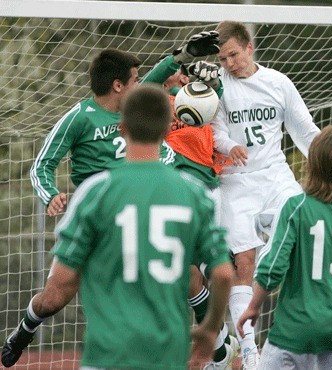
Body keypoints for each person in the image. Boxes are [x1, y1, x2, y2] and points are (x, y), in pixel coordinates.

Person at [2, 84, 235, 369]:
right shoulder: (193, 193)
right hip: (168, 352)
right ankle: (224, 348)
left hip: (108, 351)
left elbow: (65, 274)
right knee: (192, 276)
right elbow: (223, 275)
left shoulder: (94, 193)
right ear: (167, 131)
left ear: (122, 128)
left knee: (59, 290)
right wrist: (210, 331)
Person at [237, 125, 332, 370]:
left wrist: (253, 307)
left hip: (293, 333)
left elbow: (273, 268)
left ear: (314, 165)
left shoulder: (297, 207)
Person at [212, 20, 321, 369]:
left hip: (275, 176)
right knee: (244, 262)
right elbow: (214, 132)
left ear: (249, 48)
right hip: (236, 181)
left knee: (300, 232)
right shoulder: (217, 87)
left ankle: (303, 327)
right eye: (223, 58)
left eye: (233, 55)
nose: (229, 63)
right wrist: (230, 146)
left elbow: (304, 130)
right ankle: (248, 347)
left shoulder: (278, 83)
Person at [30, 31, 220, 217]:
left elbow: (155, 80)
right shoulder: (80, 117)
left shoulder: (133, 111)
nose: (140, 85)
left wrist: (185, 54)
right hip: (99, 208)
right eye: (136, 80)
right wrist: (51, 195)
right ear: (118, 86)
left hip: (137, 204)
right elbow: (42, 164)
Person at [153, 53, 239, 369]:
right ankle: (218, 347)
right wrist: (175, 60)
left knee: (203, 270)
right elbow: (145, 88)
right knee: (186, 275)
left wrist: (212, 83)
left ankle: (222, 344)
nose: (182, 77)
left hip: (203, 187)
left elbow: (220, 102)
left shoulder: (199, 100)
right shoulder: (161, 103)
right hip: (172, 189)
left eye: (186, 74)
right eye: (178, 74)